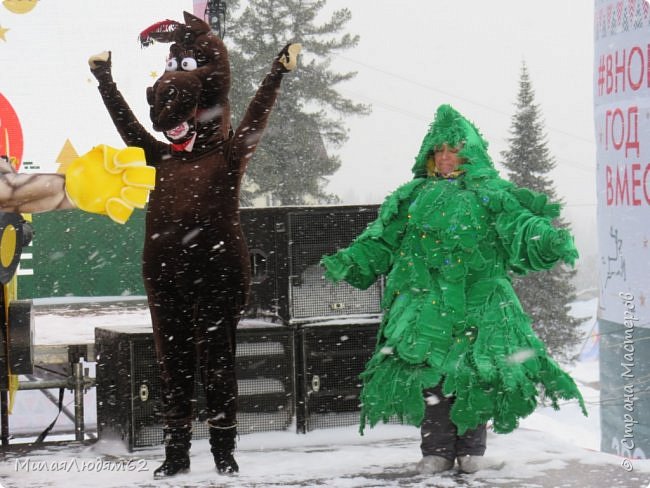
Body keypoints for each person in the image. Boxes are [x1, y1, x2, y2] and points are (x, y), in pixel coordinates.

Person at [321, 104, 586, 474]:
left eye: (453, 150)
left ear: (469, 153)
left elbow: (521, 225)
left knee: (476, 372)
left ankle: (471, 452)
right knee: (432, 373)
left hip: (481, 305)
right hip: (426, 305)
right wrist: (349, 260)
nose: (445, 157)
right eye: (439, 150)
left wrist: (545, 238)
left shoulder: (492, 194)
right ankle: (437, 451)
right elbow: (382, 240)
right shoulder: (412, 196)